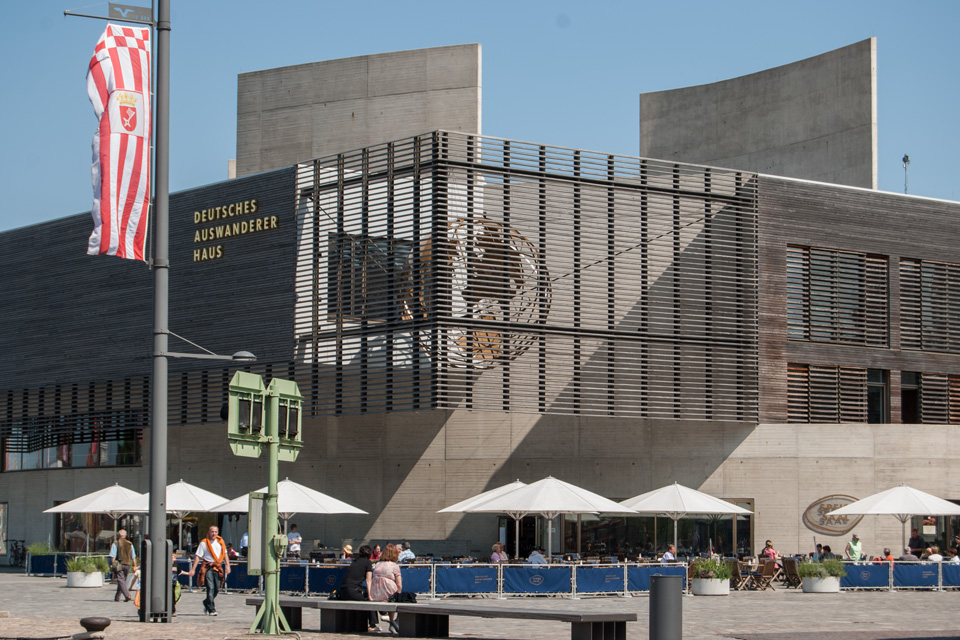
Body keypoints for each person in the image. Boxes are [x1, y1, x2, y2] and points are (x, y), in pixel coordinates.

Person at [186, 525, 231, 616]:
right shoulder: (204, 543)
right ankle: (211, 609)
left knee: (217, 588)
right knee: (210, 587)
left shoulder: (221, 542)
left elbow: (225, 554)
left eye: (215, 532)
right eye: (212, 532)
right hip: (208, 567)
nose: (214, 533)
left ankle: (206, 602)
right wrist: (193, 569)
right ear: (209, 532)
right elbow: (198, 556)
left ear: (218, 533)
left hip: (218, 567)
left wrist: (228, 566)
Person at [338, 544, 378, 630]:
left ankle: (372, 622)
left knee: (365, 593)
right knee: (369, 600)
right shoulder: (368, 563)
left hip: (343, 591)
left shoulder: (355, 561)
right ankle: (373, 624)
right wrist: (370, 596)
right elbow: (368, 581)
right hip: (352, 591)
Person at [370, 543, 403, 634]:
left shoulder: (377, 564)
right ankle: (393, 621)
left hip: (375, 593)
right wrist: (399, 593)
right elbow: (399, 585)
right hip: (388, 594)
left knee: (390, 595)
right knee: (405, 599)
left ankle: (391, 623)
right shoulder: (394, 566)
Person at [109, 529, 136, 602]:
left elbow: (113, 556)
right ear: (126, 535)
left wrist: (112, 564)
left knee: (121, 580)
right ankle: (117, 597)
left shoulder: (116, 543)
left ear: (118, 535)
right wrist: (134, 565)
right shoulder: (130, 544)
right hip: (127, 564)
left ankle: (127, 595)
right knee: (122, 581)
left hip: (119, 565)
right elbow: (133, 556)